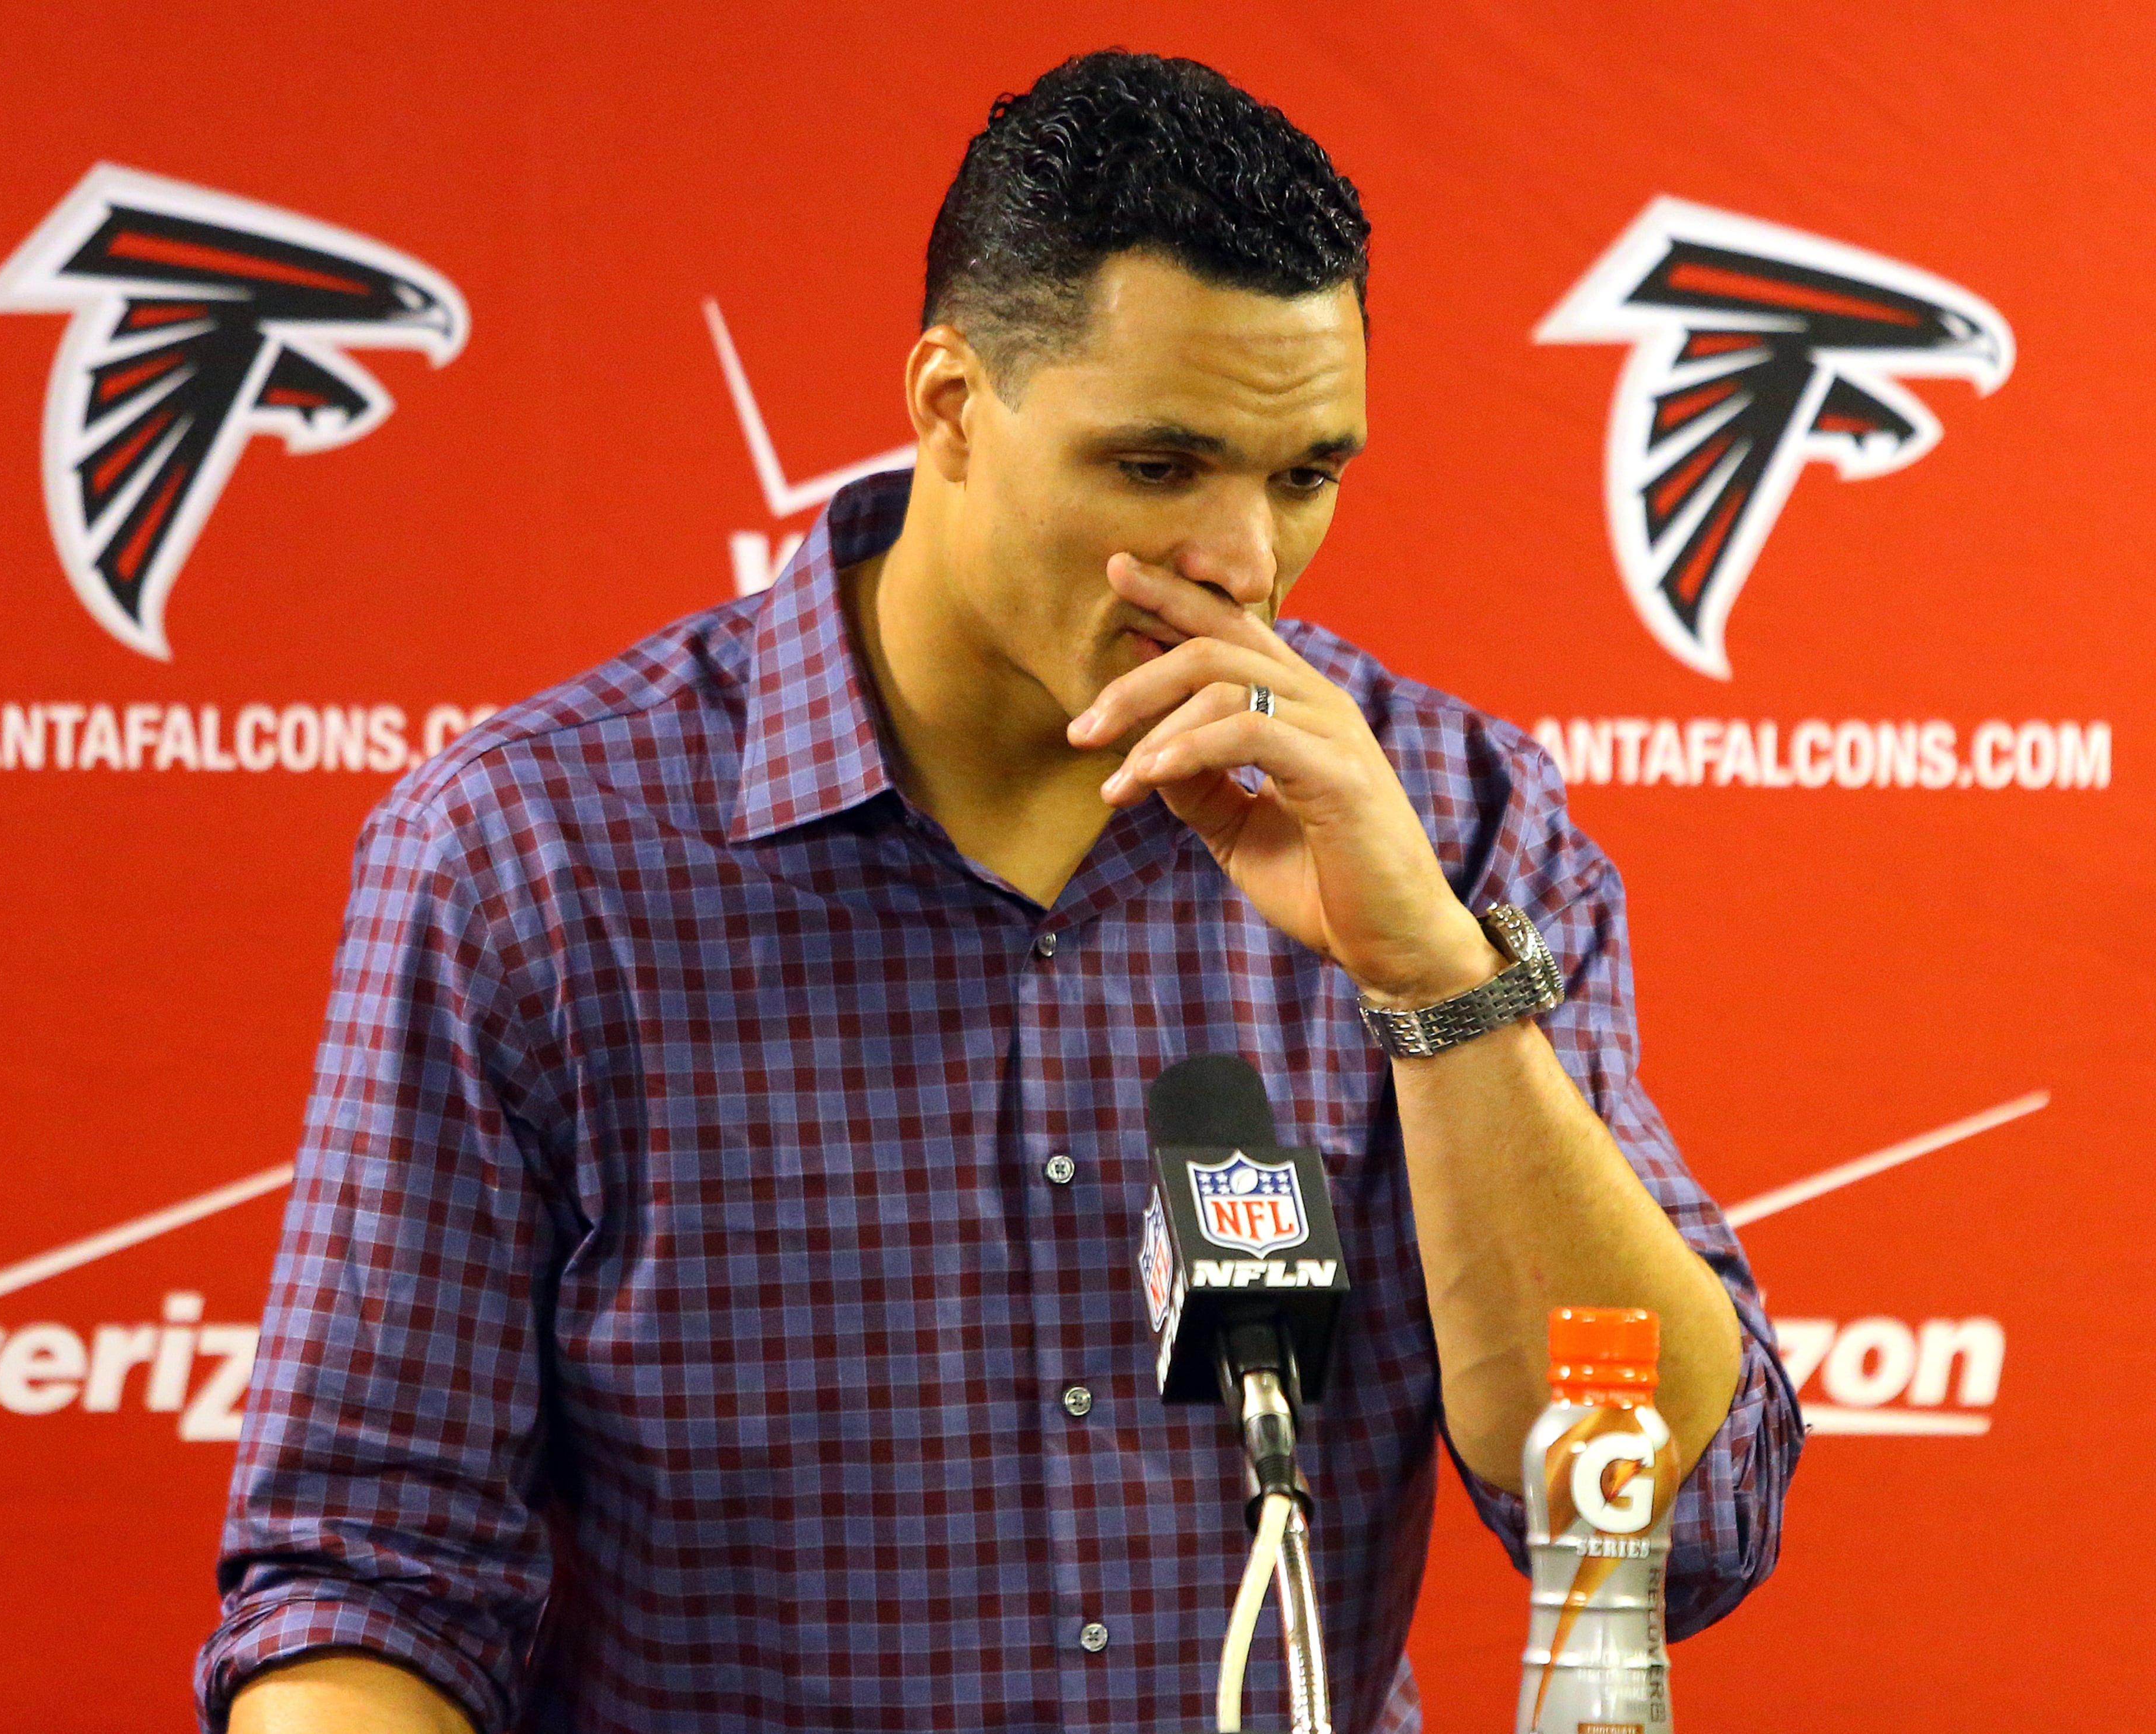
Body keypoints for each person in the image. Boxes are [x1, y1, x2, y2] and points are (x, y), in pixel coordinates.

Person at [200, 49, 1801, 1734]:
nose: (1246, 561)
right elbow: (366, 1575)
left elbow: (1670, 1521)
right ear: (953, 408)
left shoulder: (1455, 824)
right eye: (1161, 467)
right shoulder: (536, 853)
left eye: (1308, 474)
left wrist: (1432, 977)